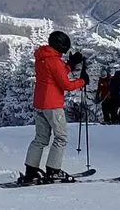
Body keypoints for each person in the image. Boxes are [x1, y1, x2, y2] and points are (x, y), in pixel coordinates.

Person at [19, 30, 88, 184]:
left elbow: (54, 72)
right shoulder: (54, 61)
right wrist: (82, 81)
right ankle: (53, 171)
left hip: (39, 104)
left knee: (41, 138)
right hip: (53, 105)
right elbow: (66, 85)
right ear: (61, 45)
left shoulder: (42, 58)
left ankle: (31, 171)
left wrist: (69, 65)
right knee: (61, 137)